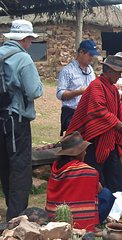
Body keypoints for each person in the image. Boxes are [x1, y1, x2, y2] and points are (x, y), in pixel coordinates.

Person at [66, 55, 122, 194]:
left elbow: (119, 109)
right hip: (94, 138)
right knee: (96, 173)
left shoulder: (113, 89)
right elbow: (97, 108)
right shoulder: (96, 85)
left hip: (109, 137)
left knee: (114, 172)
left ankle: (117, 203)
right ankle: (97, 204)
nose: (119, 77)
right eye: (117, 73)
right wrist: (116, 123)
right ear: (108, 70)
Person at [0, 19, 43, 221]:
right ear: (25, 39)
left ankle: (11, 207)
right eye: (30, 39)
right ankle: (16, 218)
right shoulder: (23, 59)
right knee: (20, 167)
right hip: (16, 120)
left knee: (5, 164)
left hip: (1, 117)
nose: (31, 43)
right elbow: (34, 91)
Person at [46, 131, 115, 231]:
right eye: (83, 150)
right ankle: (91, 224)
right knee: (106, 194)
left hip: (55, 217)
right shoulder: (89, 171)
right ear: (78, 153)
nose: (86, 153)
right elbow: (99, 190)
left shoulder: (56, 168)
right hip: (79, 221)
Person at [56, 39, 99, 136]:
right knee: (76, 143)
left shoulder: (90, 70)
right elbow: (60, 94)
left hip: (88, 112)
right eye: (90, 55)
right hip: (72, 112)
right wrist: (79, 92)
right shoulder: (67, 71)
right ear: (81, 53)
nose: (91, 58)